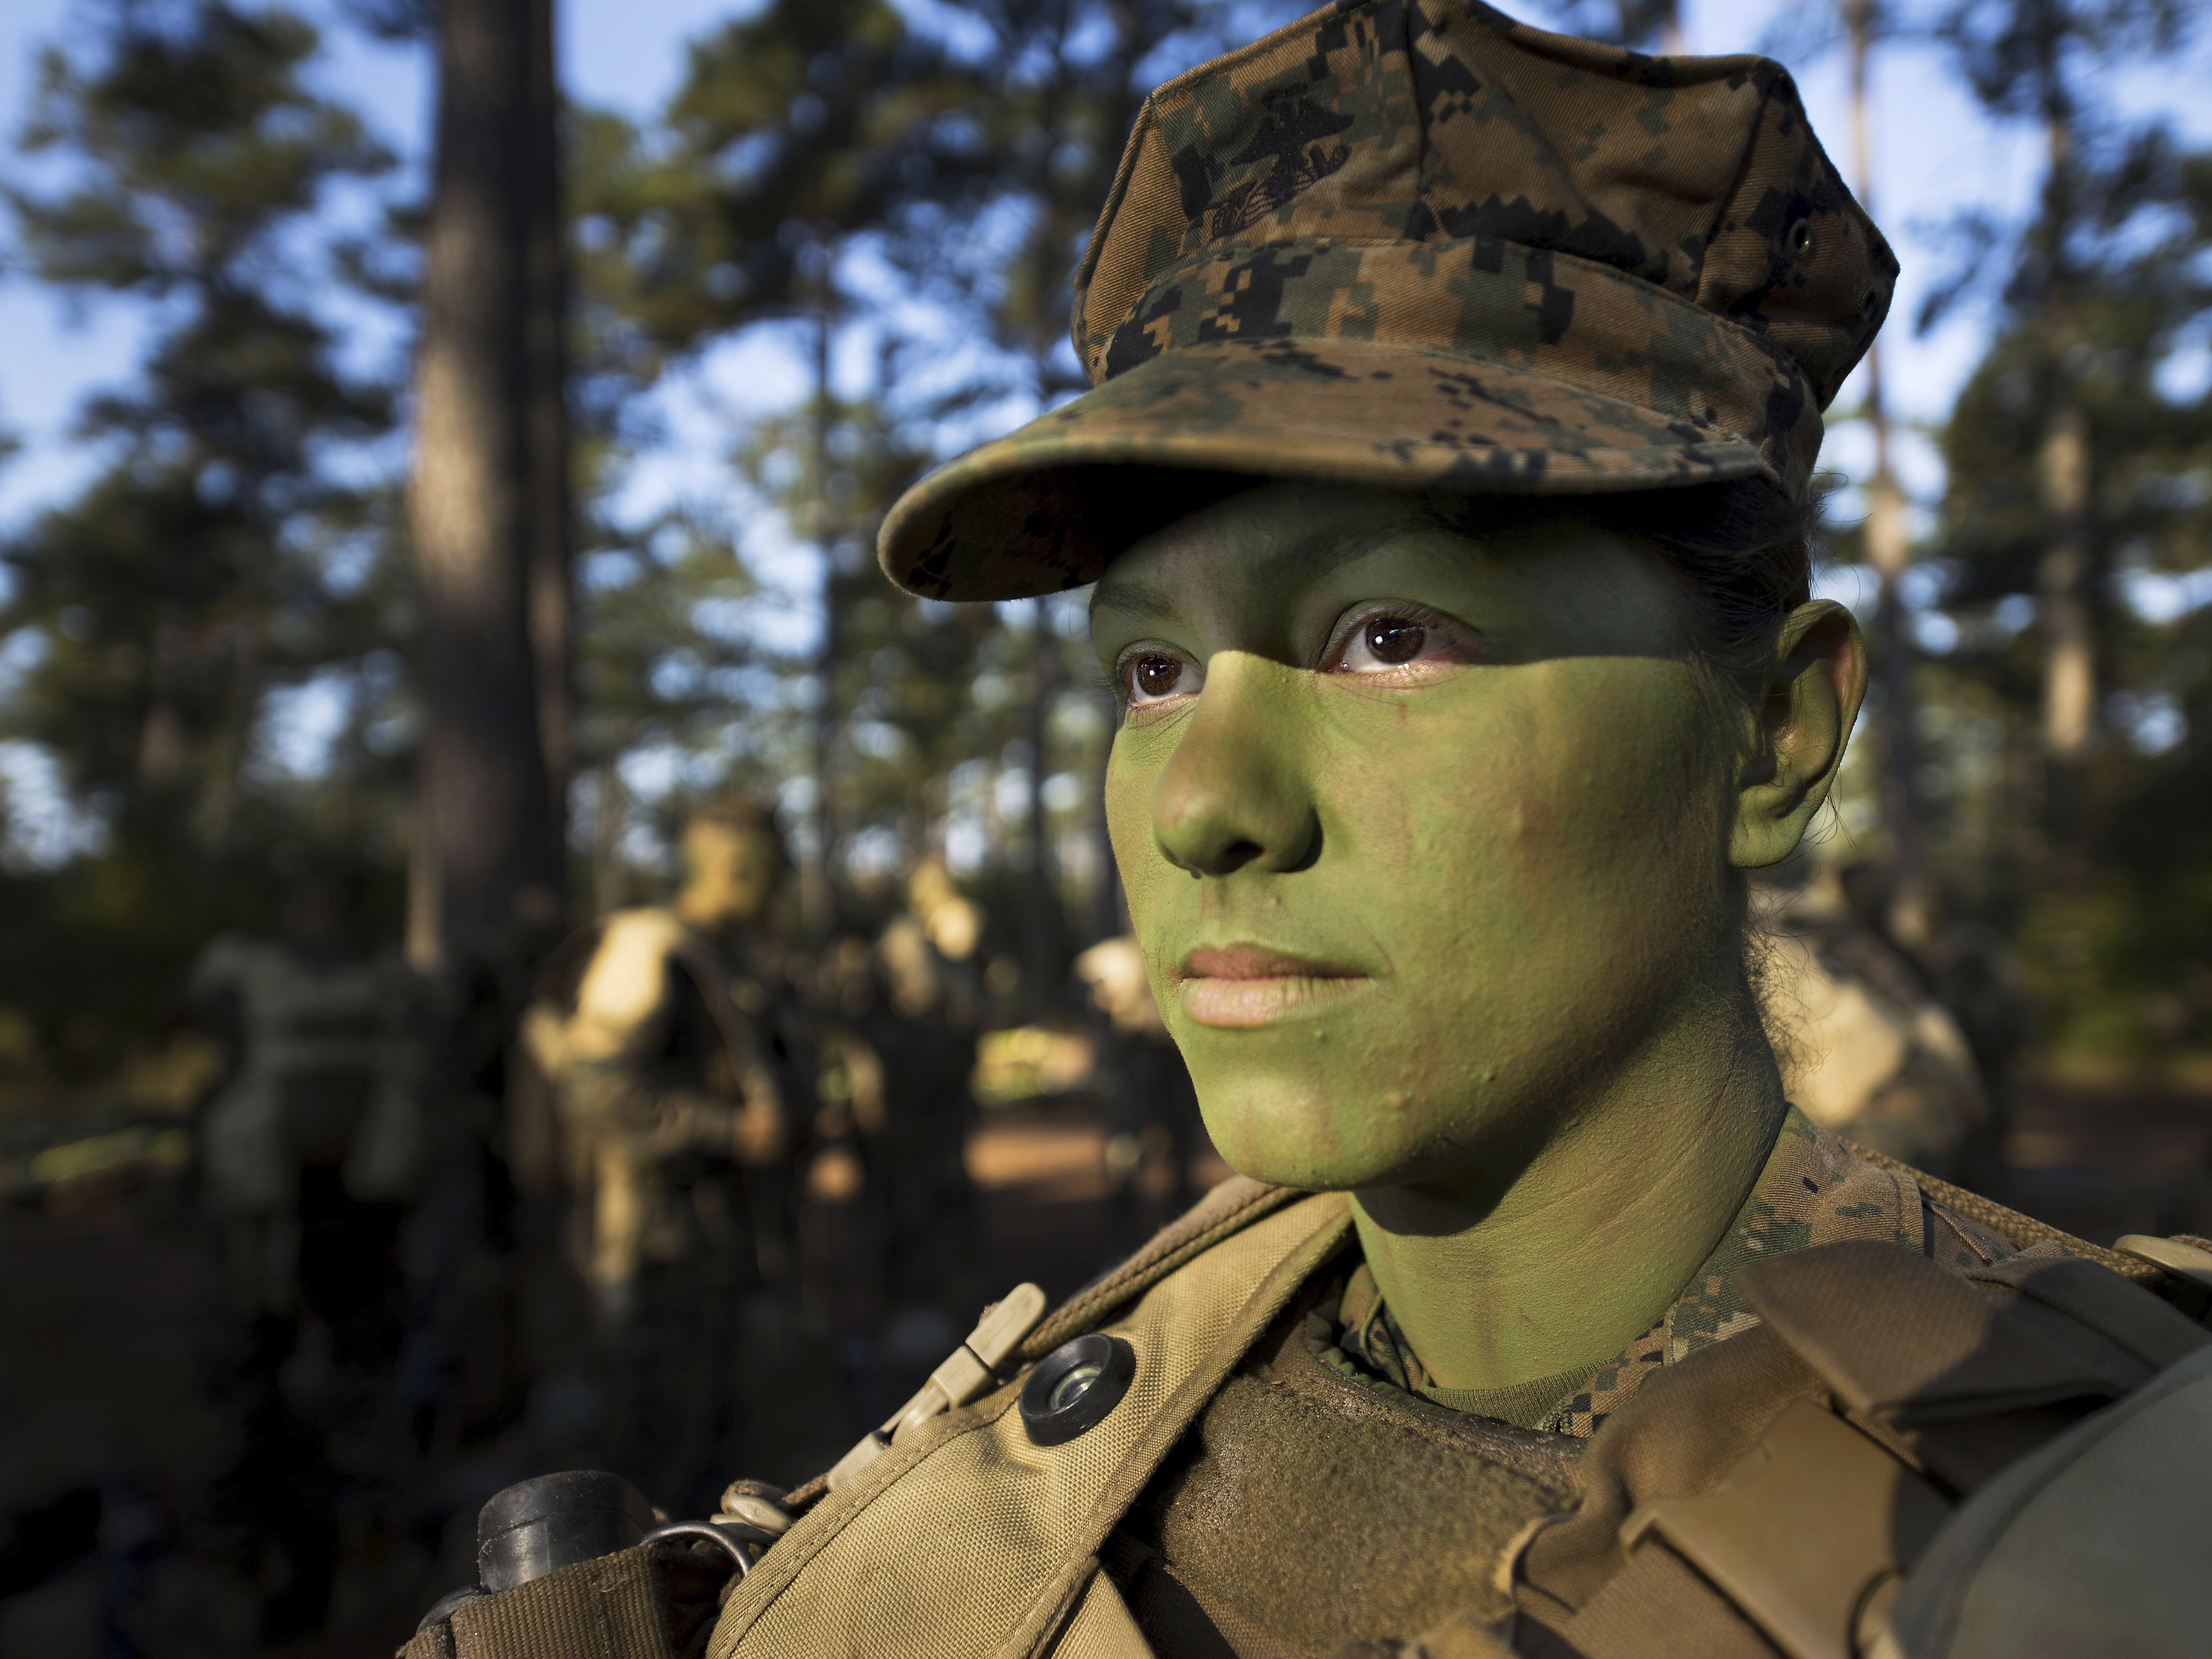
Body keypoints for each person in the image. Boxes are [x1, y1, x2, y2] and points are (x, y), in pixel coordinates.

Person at [409, 6, 2212, 1657]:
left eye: (1391, 637)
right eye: (1153, 670)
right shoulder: (1047, 1454)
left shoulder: (2102, 1517)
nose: (1205, 807)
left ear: (1772, 734)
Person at [522, 799, 792, 1506]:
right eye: (771, 860)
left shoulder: (725, 958)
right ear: (733, 864)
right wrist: (727, 1130)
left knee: (710, 1441)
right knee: (646, 1454)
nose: (784, 876)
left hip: (710, 1250)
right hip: (651, 1253)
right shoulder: (649, 947)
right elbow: (598, 1090)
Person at [187, 863, 426, 1642]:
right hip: (262, 1219)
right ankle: (244, 1555)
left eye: (334, 895)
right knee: (250, 1384)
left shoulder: (391, 979)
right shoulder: (245, 970)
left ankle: (359, 1555)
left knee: (357, 1388)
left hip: (359, 1216)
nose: (319, 908)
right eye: (307, 894)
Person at [1752, 858, 1990, 1180]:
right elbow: (1917, 1005)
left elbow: (1910, 999)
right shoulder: (1802, 912)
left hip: (1879, 1104)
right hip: (1896, 1087)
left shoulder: (1785, 919)